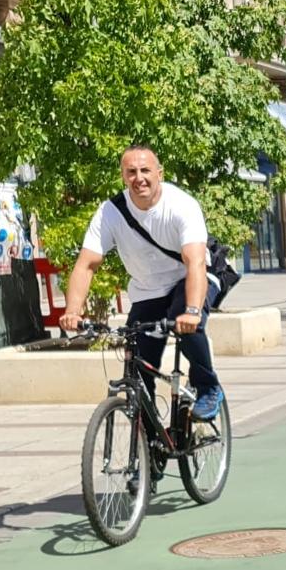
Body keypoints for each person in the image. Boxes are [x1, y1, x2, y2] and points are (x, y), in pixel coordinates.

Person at [59, 145, 224, 421]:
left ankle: (208, 387)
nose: (139, 178)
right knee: (136, 358)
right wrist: (73, 311)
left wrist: (193, 312)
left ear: (159, 173)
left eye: (145, 170)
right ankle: (148, 440)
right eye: (131, 172)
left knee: (184, 323)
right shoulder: (111, 212)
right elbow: (86, 264)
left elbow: (194, 261)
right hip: (148, 290)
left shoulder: (181, 205)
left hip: (190, 279)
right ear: (123, 177)